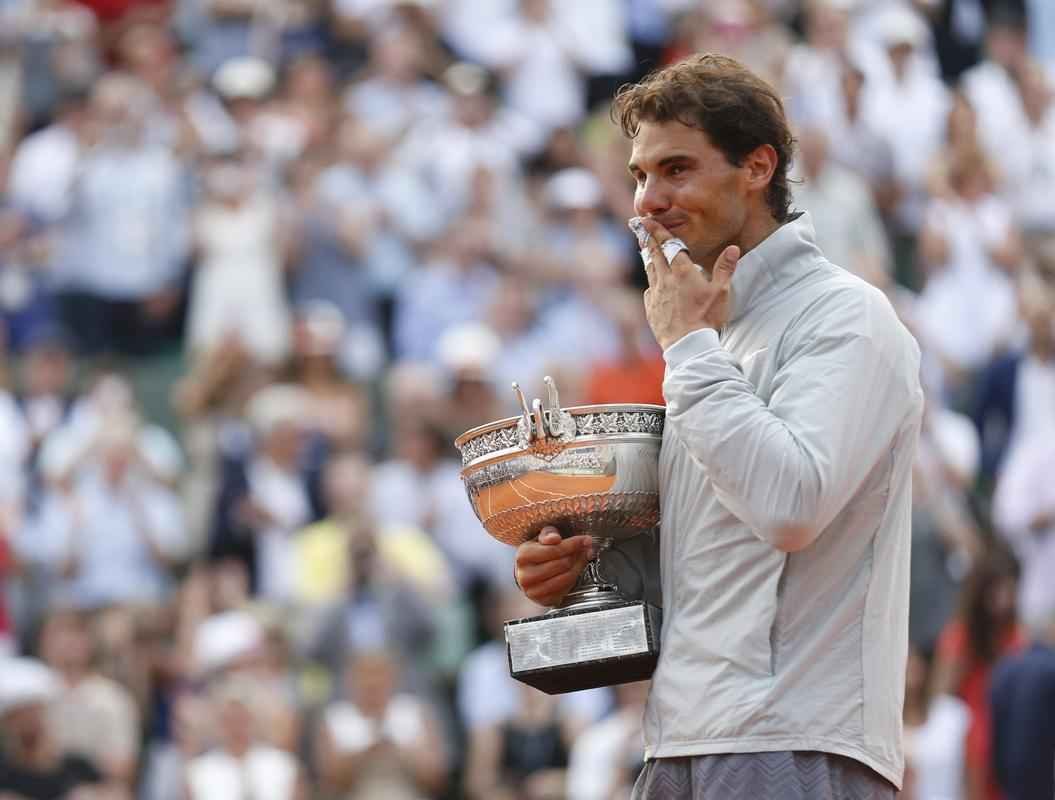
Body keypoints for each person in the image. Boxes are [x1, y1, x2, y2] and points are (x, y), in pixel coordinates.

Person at [513, 53, 924, 798]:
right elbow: (700, 576)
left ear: (756, 168)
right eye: (639, 176)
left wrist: (685, 346)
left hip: (794, 743)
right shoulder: (704, 339)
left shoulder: (846, 317)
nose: (646, 201)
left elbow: (790, 505)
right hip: (679, 743)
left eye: (675, 170)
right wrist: (582, 572)